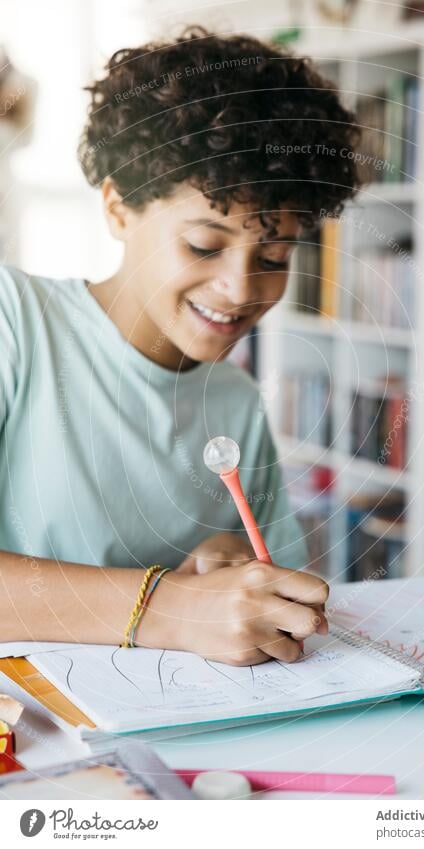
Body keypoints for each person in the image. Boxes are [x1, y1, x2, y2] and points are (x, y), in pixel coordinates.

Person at [0, 27, 360, 664]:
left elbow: (284, 595)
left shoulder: (236, 399)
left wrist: (232, 579)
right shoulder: (15, 322)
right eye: (203, 245)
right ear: (118, 208)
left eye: (274, 256)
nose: (240, 287)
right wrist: (174, 606)